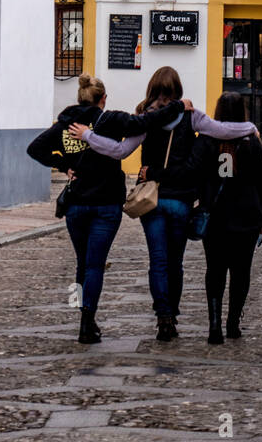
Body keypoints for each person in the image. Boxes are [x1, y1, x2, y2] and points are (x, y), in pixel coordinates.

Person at [79, 66, 257, 342]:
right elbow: (222, 130)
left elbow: (119, 150)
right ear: (178, 90)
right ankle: (172, 312)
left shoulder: (145, 120)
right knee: (176, 262)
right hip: (181, 201)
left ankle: (163, 316)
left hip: (152, 200)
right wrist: (250, 127)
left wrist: (88, 136)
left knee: (158, 262)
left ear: (152, 89)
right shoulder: (190, 116)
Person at [26, 73, 183, 344]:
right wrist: (178, 106)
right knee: (95, 265)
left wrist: (65, 166)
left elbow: (35, 149)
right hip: (106, 204)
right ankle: (88, 320)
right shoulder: (110, 120)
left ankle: (79, 311)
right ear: (103, 99)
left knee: (81, 263)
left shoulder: (65, 125)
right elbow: (146, 121)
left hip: (76, 205)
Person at [190, 92, 262, 345]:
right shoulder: (252, 141)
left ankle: (214, 325)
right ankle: (233, 323)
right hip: (246, 217)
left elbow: (194, 174)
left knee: (214, 270)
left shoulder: (205, 140)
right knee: (241, 272)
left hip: (214, 217)